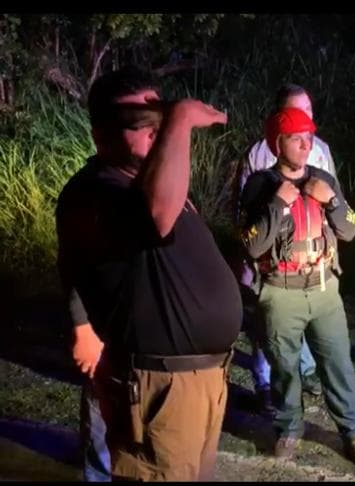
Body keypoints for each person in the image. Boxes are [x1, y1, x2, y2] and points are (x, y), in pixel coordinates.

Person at [56, 66, 242, 480]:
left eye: (161, 118)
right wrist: (180, 119)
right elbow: (155, 218)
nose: (157, 130)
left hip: (202, 380)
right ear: (101, 132)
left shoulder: (144, 183)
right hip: (158, 386)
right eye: (141, 122)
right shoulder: (95, 190)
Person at [239, 107, 355, 467]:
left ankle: (353, 431)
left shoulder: (323, 178)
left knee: (338, 364)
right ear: (277, 143)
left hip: (324, 288)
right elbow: (252, 245)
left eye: (308, 137)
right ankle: (289, 429)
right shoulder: (260, 185)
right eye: (296, 138)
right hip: (280, 293)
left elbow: (349, 229)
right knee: (284, 366)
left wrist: (330, 199)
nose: (305, 145)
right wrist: (276, 205)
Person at [237, 84, 333, 415]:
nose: (303, 119)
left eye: (308, 110)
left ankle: (305, 374)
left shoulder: (320, 150)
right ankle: (264, 383)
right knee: (266, 327)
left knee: (306, 319)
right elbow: (245, 215)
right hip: (270, 264)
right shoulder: (258, 156)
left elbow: (333, 202)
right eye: (295, 111)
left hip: (309, 262)